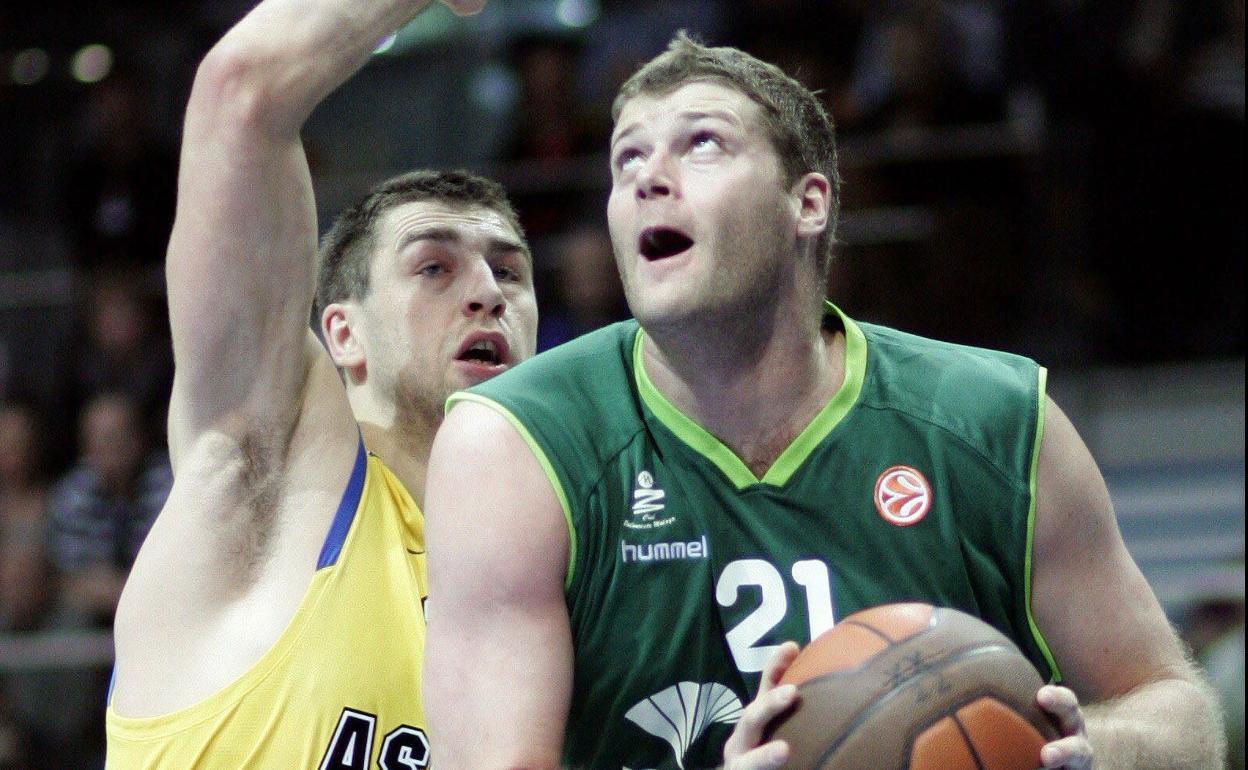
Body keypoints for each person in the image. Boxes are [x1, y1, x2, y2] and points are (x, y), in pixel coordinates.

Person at [422, 32, 1226, 770]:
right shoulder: (517, 444)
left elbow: (1181, 711)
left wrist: (1088, 748)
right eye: (625, 160)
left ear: (808, 204)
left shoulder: (996, 420)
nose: (647, 180)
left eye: (701, 144)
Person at [104, 0, 538, 767]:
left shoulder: (555, 576)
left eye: (507, 270)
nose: (486, 292)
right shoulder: (266, 484)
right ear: (343, 332)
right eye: (434, 266)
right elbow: (243, 93)